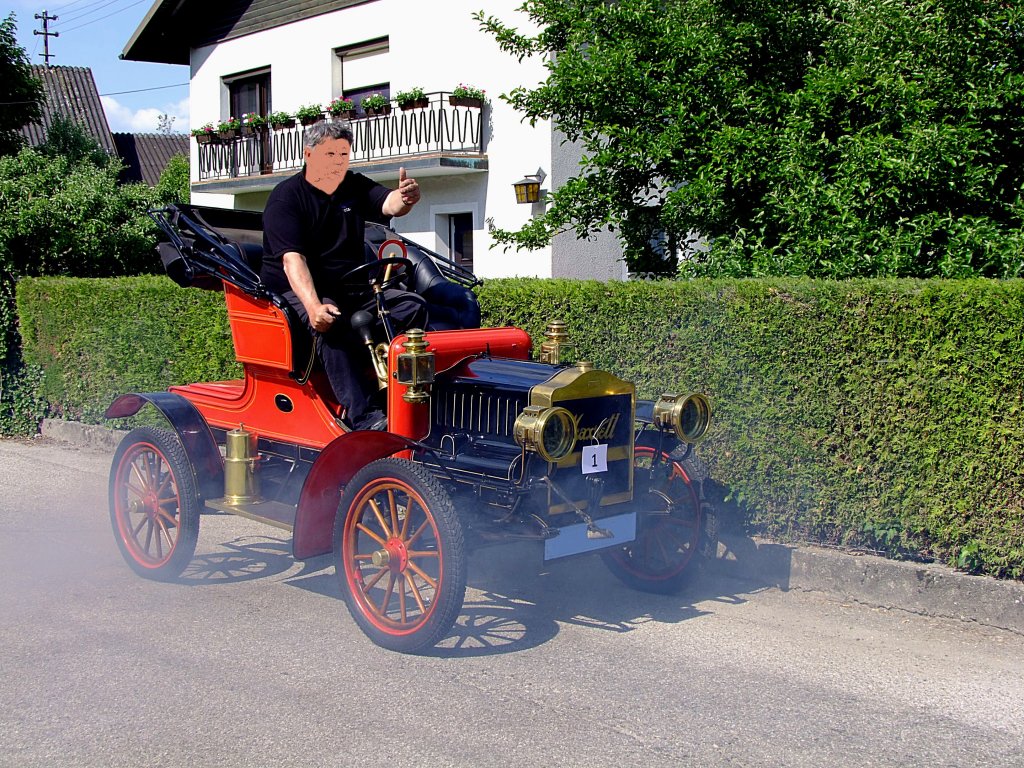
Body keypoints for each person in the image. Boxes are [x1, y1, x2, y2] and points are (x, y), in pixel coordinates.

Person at [261, 121, 428, 430]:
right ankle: (363, 417)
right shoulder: (287, 198)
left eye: (343, 154)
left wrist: (406, 198)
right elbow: (292, 261)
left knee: (411, 306)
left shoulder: (352, 186)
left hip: (350, 287)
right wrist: (314, 307)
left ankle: (402, 392)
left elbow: (388, 203)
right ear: (309, 155)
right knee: (331, 323)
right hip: (297, 290)